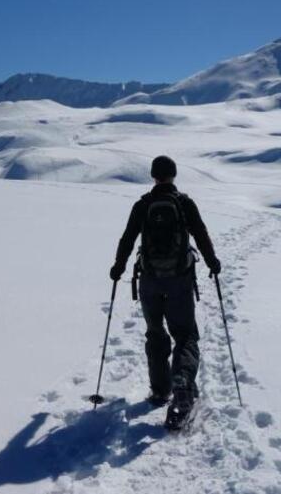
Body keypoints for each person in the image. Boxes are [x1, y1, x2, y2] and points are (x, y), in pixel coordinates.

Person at [110, 155, 221, 429]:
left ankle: (160, 390)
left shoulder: (143, 204)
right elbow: (200, 234)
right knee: (185, 335)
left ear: (153, 176)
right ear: (173, 175)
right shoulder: (184, 203)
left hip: (149, 280)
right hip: (179, 280)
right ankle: (182, 386)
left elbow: (128, 238)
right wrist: (212, 262)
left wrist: (118, 267)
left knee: (155, 333)